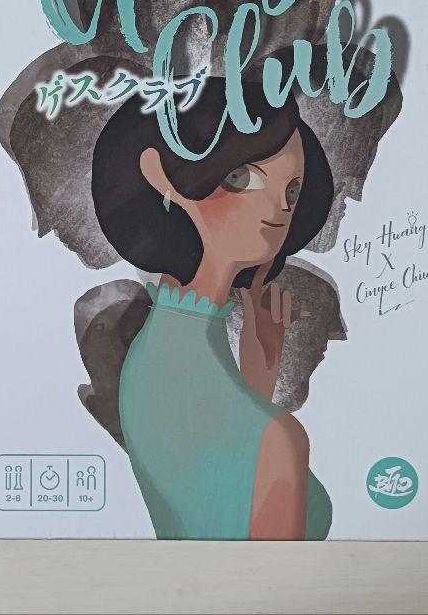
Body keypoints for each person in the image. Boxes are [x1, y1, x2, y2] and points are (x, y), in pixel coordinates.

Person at [91, 77, 335, 540]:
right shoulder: (278, 442)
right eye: (242, 178)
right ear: (162, 176)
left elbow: (202, 490)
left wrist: (256, 385)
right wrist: (263, 418)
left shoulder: (153, 352)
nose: (277, 208)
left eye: (291, 191)